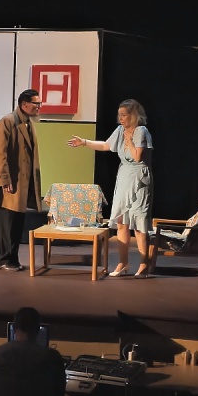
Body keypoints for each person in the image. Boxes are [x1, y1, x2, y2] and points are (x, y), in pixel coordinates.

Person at [67, 98, 154, 276]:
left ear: (133, 115)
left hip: (139, 180)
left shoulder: (141, 131)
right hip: (124, 178)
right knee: (121, 222)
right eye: (119, 115)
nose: (120, 118)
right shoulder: (120, 130)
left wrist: (129, 140)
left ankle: (144, 264)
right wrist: (84, 142)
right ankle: (123, 263)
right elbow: (106, 145)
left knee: (139, 225)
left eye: (124, 115)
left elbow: (138, 157)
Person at [0, 89, 43, 271]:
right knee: (7, 222)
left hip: (22, 182)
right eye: (36, 103)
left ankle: (13, 258)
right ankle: (3, 259)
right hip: (10, 182)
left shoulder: (27, 123)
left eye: (39, 103)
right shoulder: (8, 122)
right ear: (24, 105)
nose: (39, 107)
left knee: (16, 222)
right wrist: (4, 180)